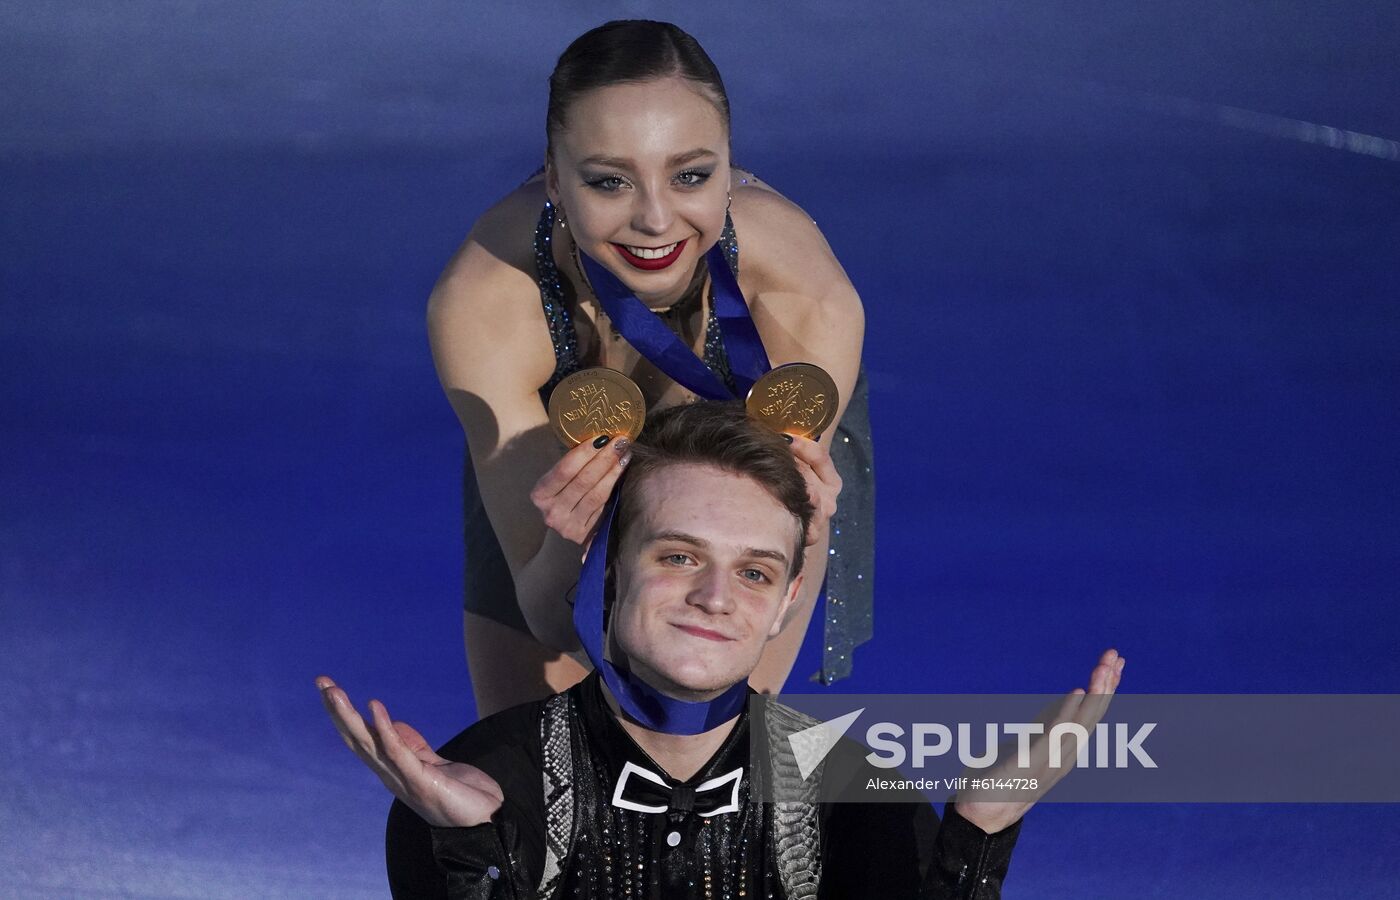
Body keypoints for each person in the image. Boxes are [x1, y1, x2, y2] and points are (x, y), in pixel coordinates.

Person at [318, 402, 1126, 898]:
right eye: (677, 556)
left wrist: (975, 838)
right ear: (606, 574)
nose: (715, 598)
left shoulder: (857, 794)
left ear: (783, 610)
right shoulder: (483, 784)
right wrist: (475, 853)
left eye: (755, 571)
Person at [427, 19, 874, 716]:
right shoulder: (487, 304)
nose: (657, 221)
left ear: (730, 165)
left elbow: (755, 620)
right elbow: (550, 619)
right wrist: (565, 543)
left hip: (749, 435)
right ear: (554, 180)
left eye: (691, 175)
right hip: (555, 473)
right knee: (532, 767)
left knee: (721, 740)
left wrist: (799, 532)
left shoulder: (807, 308)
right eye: (609, 182)